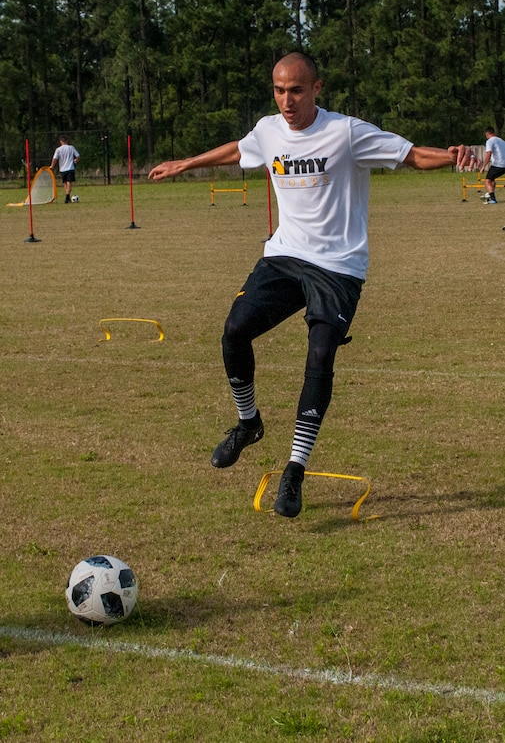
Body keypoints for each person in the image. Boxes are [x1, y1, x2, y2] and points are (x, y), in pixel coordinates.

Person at [149, 51, 473, 519]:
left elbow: (412, 155)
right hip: (284, 256)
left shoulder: (345, 132)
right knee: (234, 330)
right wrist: (186, 163)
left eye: (296, 90)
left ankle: (295, 471)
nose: (287, 100)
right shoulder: (268, 129)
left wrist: (454, 154)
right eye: (279, 90)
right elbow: (241, 149)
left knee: (320, 356)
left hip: (338, 266)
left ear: (316, 89)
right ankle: (248, 423)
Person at [50, 135, 80, 204]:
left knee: (65, 183)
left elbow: (54, 159)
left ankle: (67, 196)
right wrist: (76, 160)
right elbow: (78, 156)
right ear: (67, 141)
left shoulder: (58, 149)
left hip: (62, 169)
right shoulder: (71, 148)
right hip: (70, 168)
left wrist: (52, 166)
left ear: (61, 141)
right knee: (69, 182)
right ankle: (67, 196)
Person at [481, 126, 505, 204]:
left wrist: (483, 166)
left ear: (487, 134)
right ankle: (490, 194)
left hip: (498, 164)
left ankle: (492, 198)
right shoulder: (501, 140)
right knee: (492, 179)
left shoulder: (490, 141)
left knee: (487, 180)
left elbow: (489, 154)